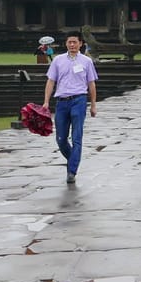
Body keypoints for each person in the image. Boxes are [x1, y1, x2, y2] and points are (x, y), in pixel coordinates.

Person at [41, 31, 98, 183]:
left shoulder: (86, 61)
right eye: (69, 42)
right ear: (66, 44)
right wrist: (46, 101)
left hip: (79, 100)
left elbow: (91, 84)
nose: (72, 45)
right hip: (62, 102)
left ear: (80, 44)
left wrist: (93, 105)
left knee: (77, 137)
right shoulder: (58, 60)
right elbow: (51, 81)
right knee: (61, 139)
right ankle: (74, 158)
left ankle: (71, 171)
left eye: (75, 42)